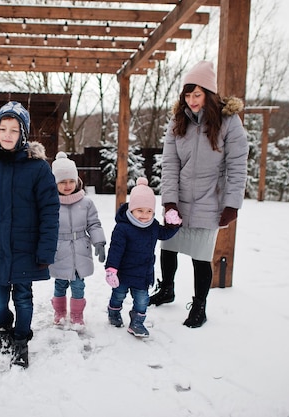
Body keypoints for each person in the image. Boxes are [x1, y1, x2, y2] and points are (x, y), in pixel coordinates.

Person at [150, 60, 248, 328]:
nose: (191, 100)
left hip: (210, 198)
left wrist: (231, 204)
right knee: (168, 246)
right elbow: (169, 164)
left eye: (197, 94)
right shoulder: (177, 122)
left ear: (209, 94)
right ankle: (167, 289)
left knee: (201, 256)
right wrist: (170, 201)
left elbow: (237, 166)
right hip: (180, 197)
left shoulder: (229, 123)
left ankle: (199, 306)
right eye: (187, 94)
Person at [0, 101, 60, 368]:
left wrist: (46, 249)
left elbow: (49, 211)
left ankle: (21, 339)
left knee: (23, 297)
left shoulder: (38, 168)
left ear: (23, 133)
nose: (7, 134)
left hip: (26, 247)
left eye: (14, 129)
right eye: (3, 128)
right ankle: (3, 329)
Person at [104, 178, 181, 337]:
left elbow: (165, 234)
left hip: (143, 274)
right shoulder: (123, 228)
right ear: (131, 209)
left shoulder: (152, 226)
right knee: (118, 295)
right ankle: (113, 312)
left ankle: (137, 323)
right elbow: (115, 250)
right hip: (123, 274)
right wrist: (111, 270)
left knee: (142, 300)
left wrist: (174, 224)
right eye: (140, 210)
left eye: (149, 211)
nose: (145, 215)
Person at [49, 152, 106, 328]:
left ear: (77, 181)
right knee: (59, 284)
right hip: (59, 250)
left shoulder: (86, 203)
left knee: (78, 285)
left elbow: (94, 224)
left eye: (71, 181)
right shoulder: (50, 203)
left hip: (81, 249)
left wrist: (99, 242)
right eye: (62, 182)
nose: (68, 186)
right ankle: (59, 312)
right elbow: (44, 228)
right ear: (55, 183)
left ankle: (77, 315)